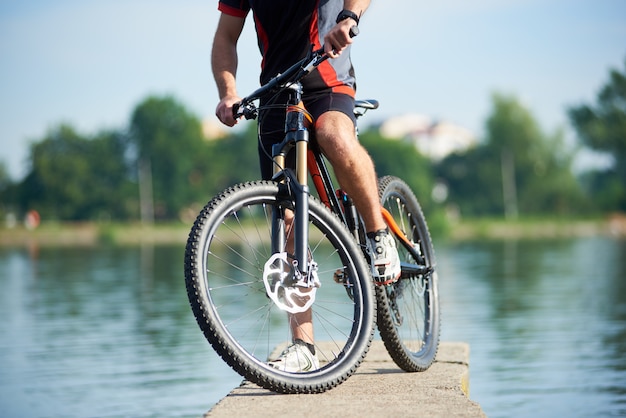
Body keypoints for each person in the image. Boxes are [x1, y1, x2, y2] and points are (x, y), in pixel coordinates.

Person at [212, 0, 400, 372]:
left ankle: (379, 235)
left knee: (335, 136)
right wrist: (227, 92)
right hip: (275, 90)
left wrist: (349, 18)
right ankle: (304, 347)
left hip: (326, 75)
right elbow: (225, 37)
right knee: (284, 216)